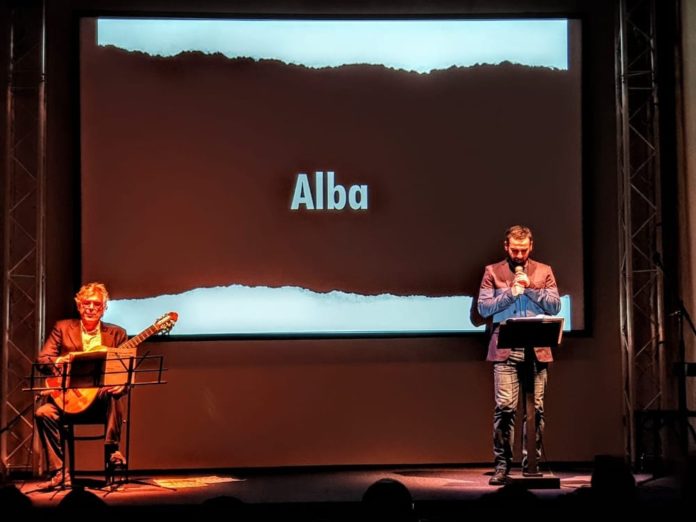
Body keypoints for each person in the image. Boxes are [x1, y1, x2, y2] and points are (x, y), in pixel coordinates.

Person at [477, 225, 561, 486]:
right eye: (514, 250)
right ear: (506, 247)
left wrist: (530, 290)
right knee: (505, 408)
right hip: (506, 351)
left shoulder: (544, 271)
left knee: (535, 409)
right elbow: (483, 308)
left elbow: (555, 305)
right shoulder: (493, 272)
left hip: (536, 350)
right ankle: (502, 465)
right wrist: (510, 294)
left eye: (523, 250)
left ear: (531, 247)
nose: (519, 255)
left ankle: (531, 464)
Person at [34, 282, 128, 488]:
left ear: (104, 308)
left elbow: (123, 372)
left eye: (96, 304)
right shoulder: (63, 328)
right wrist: (60, 361)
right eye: (86, 303)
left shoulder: (117, 334)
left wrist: (123, 385)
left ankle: (112, 450)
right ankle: (59, 472)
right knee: (43, 412)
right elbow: (43, 359)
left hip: (99, 405)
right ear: (79, 306)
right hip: (69, 400)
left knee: (114, 391)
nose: (91, 308)